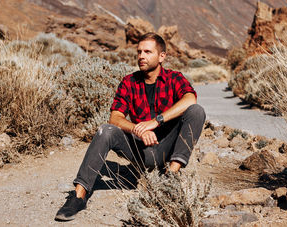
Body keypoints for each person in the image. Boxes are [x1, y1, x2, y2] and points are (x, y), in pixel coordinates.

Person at [55, 32, 206, 221]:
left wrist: (156, 121)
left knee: (196, 111)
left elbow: (190, 98)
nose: (141, 56)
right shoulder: (129, 82)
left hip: (167, 146)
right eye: (139, 52)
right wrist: (137, 129)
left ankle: (170, 178)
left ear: (161, 56)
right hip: (141, 149)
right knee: (105, 130)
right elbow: (115, 117)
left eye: (148, 52)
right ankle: (78, 197)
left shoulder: (174, 78)